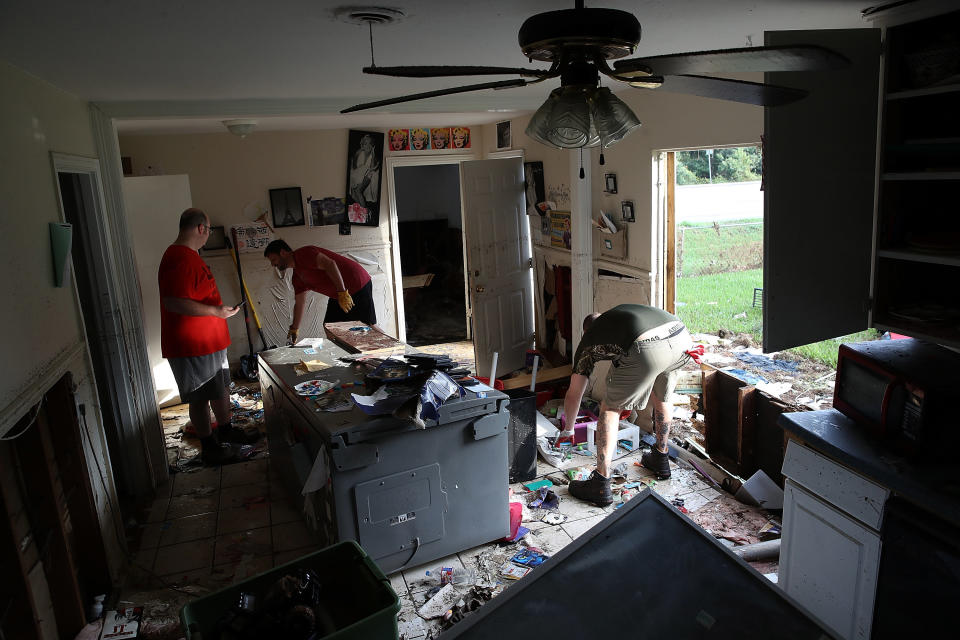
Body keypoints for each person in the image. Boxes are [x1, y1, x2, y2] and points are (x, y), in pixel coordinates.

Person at [560, 304, 693, 506]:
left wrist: (568, 430)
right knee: (662, 398)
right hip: (681, 338)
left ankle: (600, 482)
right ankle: (661, 458)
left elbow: (574, 393)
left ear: (587, 331)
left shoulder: (590, 339)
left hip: (648, 347)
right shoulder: (619, 316)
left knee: (610, 409)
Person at [158, 208, 243, 465]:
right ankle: (210, 448)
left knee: (218, 389)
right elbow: (174, 302)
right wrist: (215, 311)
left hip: (211, 342)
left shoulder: (191, 256)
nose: (207, 236)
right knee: (200, 396)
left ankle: (226, 430)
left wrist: (219, 313)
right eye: (208, 230)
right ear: (200, 229)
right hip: (192, 345)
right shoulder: (177, 258)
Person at [263, 239, 377, 344]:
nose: (273, 264)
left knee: (367, 327)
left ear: (283, 253)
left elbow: (330, 264)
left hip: (357, 282)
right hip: (339, 293)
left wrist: (342, 292)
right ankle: (345, 357)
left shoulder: (304, 254)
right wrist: (294, 328)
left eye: (274, 259)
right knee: (330, 327)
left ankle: (391, 351)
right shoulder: (297, 277)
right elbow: (300, 303)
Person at [349, 133, 380, 209]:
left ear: (372, 145)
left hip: (370, 175)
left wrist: (373, 153)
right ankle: (365, 211)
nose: (368, 145)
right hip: (359, 175)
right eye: (365, 143)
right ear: (362, 145)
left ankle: (365, 213)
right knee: (353, 194)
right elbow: (354, 167)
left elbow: (372, 168)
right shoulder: (358, 153)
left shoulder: (374, 156)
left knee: (358, 191)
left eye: (370, 143)